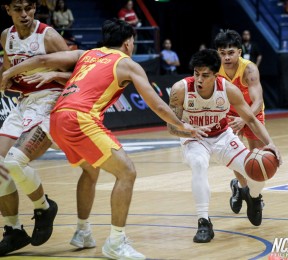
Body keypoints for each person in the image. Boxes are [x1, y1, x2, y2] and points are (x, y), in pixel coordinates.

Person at [2, 18, 208, 259]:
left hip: (57, 118)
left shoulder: (87, 54)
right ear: (129, 43)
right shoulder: (127, 64)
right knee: (127, 172)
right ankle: (116, 242)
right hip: (79, 119)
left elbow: (41, 60)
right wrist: (182, 124)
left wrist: (9, 72)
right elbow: (156, 104)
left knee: (90, 171)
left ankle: (82, 232)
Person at [167, 49, 281, 243]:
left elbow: (251, 120)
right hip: (195, 137)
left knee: (258, 168)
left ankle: (252, 196)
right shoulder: (180, 89)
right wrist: (189, 130)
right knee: (198, 164)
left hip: (222, 136)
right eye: (196, 74)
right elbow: (171, 127)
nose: (199, 79)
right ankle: (203, 221)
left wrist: (270, 143)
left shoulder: (228, 89)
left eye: (205, 75)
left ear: (215, 74)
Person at [0, 0, 71, 256]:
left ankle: (43, 207)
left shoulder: (49, 36)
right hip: (23, 103)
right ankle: (13, 230)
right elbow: (9, 73)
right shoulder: (6, 36)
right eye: (18, 8)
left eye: (29, 7)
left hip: (49, 102)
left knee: (15, 162)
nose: (25, 14)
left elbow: (78, 72)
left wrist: (52, 75)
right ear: (7, 9)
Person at [213, 29, 268, 217]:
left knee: (257, 159)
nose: (227, 57)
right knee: (234, 154)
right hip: (228, 113)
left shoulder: (249, 69)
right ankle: (244, 189)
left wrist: (244, 118)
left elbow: (258, 100)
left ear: (239, 51)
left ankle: (252, 190)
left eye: (231, 52)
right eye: (222, 53)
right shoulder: (213, 70)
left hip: (251, 112)